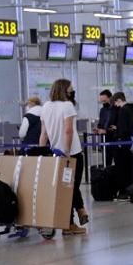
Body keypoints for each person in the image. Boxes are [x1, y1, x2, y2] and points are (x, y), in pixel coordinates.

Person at [40, 79, 87, 235]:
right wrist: (67, 151)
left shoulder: (45, 106)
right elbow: (68, 130)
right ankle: (70, 223)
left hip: (55, 154)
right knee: (71, 188)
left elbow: (44, 134)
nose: (72, 92)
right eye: (70, 89)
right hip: (72, 153)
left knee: (66, 187)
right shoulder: (67, 106)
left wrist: (41, 153)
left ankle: (79, 213)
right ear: (64, 90)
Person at [111, 92, 133, 190]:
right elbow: (128, 126)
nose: (116, 106)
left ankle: (123, 188)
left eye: (116, 103)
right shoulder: (130, 110)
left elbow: (123, 129)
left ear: (119, 100)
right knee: (127, 164)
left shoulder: (123, 110)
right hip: (128, 139)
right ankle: (128, 186)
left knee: (121, 166)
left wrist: (118, 133)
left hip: (122, 141)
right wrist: (118, 127)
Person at [95, 90, 114, 165]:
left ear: (110, 98)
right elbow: (100, 124)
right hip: (105, 140)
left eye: (105, 101)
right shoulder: (102, 110)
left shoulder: (115, 110)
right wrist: (98, 129)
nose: (103, 103)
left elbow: (117, 126)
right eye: (102, 102)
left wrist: (106, 131)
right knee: (106, 163)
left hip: (115, 139)